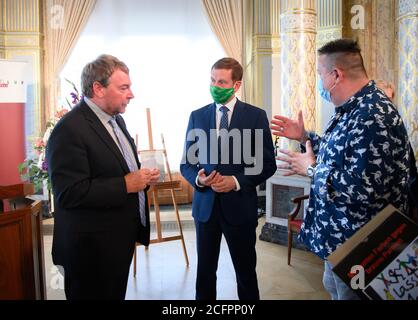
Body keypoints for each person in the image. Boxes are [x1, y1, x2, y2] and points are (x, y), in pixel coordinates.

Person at [271, 39, 412, 300]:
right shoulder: (352, 110)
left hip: (362, 247)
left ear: (336, 75)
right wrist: (305, 138)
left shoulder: (373, 115)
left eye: (320, 75)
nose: (321, 84)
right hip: (339, 241)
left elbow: (363, 189)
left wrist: (312, 169)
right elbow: (340, 155)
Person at [46, 54, 160, 300]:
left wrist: (143, 178)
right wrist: (126, 184)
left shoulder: (117, 121)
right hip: (89, 253)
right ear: (98, 88)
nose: (131, 94)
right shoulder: (69, 129)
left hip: (115, 245)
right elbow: (69, 194)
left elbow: (120, 168)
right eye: (124, 88)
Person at [180, 58, 276, 300]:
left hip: (240, 209)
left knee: (245, 274)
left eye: (221, 81)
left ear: (236, 85)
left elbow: (267, 165)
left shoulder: (255, 116)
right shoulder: (197, 116)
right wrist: (199, 180)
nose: (215, 85)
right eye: (212, 80)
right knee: (204, 274)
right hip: (206, 210)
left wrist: (235, 181)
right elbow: (187, 164)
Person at [375, 80, 418, 222]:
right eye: (385, 99)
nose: (388, 104)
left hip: (401, 203)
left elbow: (410, 168)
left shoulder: (396, 127)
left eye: (390, 99)